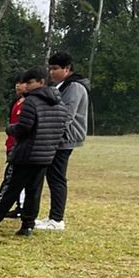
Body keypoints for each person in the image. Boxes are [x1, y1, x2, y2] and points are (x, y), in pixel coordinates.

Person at [0, 68, 66, 236]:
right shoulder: (59, 103)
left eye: (30, 82)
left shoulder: (31, 102)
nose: (27, 86)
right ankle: (27, 226)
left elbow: (24, 127)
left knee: (10, 188)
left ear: (41, 82)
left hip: (26, 154)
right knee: (34, 191)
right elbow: (61, 129)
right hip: (45, 156)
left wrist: (10, 129)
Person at [36, 51, 90, 232]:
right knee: (52, 176)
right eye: (50, 69)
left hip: (65, 138)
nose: (52, 72)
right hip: (59, 137)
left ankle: (57, 219)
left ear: (67, 69)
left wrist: (49, 132)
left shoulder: (74, 87)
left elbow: (66, 115)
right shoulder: (64, 85)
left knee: (57, 177)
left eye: (55, 69)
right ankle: (53, 216)